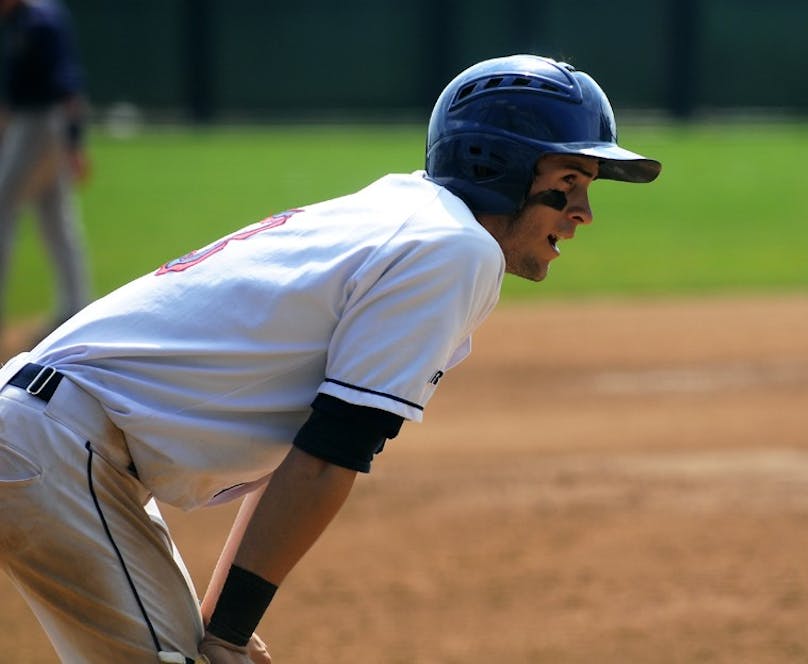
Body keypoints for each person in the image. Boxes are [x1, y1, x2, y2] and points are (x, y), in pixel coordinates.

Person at [0, 54, 660, 663]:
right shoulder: (455, 249)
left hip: (62, 443)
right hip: (62, 450)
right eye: (569, 182)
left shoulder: (409, 213)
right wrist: (225, 635)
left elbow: (307, 449)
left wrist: (224, 622)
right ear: (498, 166)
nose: (584, 212)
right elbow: (327, 457)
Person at [0, 0, 90, 345]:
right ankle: (75, 306)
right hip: (39, 123)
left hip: (39, 124)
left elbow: (65, 82)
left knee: (5, 209)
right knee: (55, 216)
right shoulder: (30, 17)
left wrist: (74, 141)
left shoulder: (38, 20)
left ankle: (75, 305)